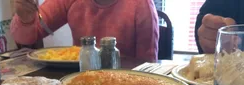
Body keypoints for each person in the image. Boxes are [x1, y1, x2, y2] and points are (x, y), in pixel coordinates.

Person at [11, 0, 159, 61]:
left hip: (125, 83)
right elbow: (27, 38)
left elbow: (147, 66)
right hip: (78, 78)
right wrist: (25, 17)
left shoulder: (142, 5)